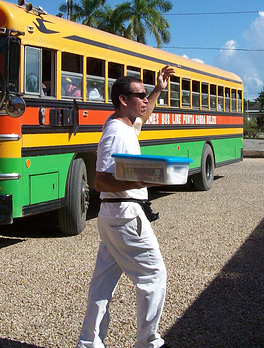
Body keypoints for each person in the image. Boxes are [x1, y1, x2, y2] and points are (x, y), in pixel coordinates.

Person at [76, 65, 175, 348]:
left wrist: (158, 90)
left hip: (115, 216)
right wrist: (146, 180)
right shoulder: (116, 134)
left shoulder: (125, 126)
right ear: (123, 99)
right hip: (125, 216)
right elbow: (100, 180)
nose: (145, 101)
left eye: (146, 96)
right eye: (140, 95)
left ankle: (89, 342)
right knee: (154, 275)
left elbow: (144, 115)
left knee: (103, 283)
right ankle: (148, 342)